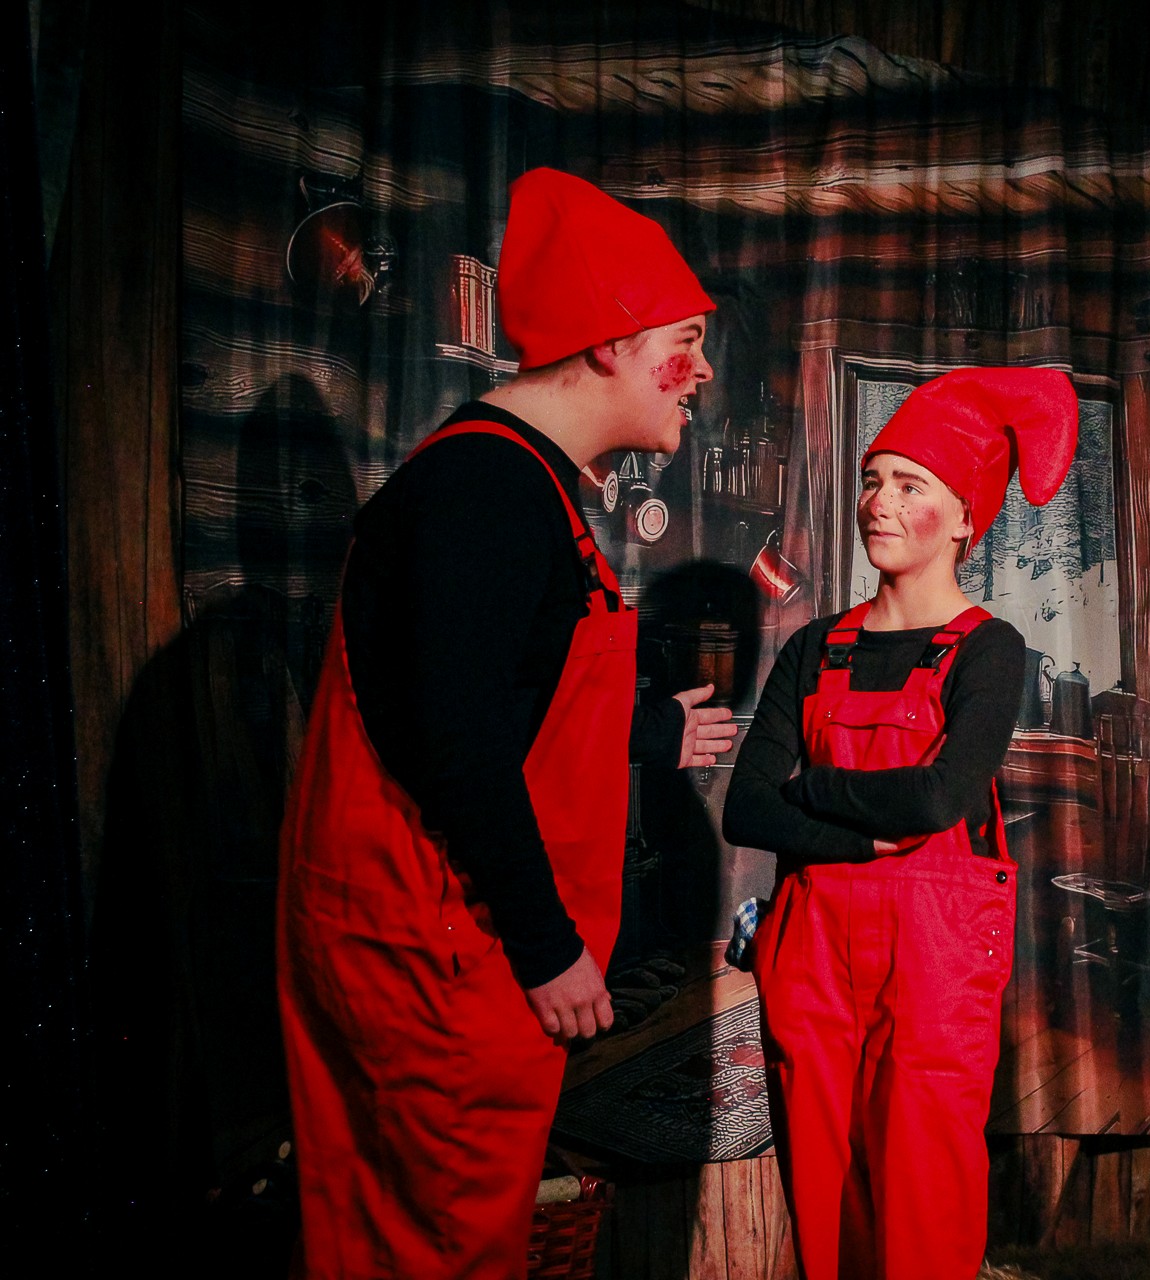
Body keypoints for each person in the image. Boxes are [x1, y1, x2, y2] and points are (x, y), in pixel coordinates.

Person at [276, 167, 738, 1279]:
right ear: (610, 343)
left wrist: (644, 732)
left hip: (443, 942)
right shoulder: (485, 490)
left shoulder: (518, 480)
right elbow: (458, 738)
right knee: (437, 1250)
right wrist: (547, 945)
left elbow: (491, 686)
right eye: (684, 340)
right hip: (438, 950)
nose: (703, 369)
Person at [723, 368, 1079, 1280]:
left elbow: (937, 801)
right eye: (873, 480)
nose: (878, 502)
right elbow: (745, 807)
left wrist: (810, 790)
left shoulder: (988, 649)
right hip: (811, 955)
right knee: (823, 1198)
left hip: (932, 961)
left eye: (909, 484)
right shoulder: (815, 646)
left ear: (964, 519)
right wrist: (851, 831)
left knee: (924, 1200)